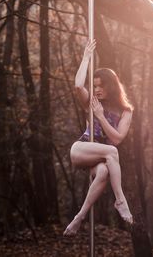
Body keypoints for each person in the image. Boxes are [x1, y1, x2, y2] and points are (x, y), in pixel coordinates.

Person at [63, 39, 134, 236]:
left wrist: (101, 116)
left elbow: (118, 139)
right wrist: (86, 57)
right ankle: (120, 200)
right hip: (82, 149)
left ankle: (79, 218)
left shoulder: (125, 111)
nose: (97, 90)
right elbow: (78, 86)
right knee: (111, 152)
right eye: (95, 86)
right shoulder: (91, 102)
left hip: (102, 157)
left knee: (103, 172)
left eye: (101, 86)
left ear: (112, 86)